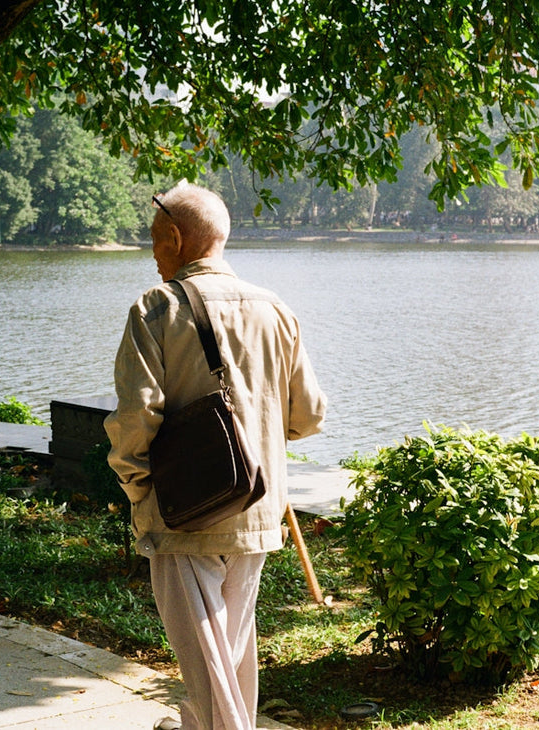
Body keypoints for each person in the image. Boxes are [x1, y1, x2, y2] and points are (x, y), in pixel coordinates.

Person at [104, 183, 326, 730]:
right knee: (229, 650)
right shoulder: (276, 308)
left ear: (177, 238)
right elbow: (310, 415)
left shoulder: (157, 309)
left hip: (184, 511)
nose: (153, 255)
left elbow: (136, 418)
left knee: (207, 661)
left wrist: (140, 491)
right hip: (255, 506)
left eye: (156, 241)